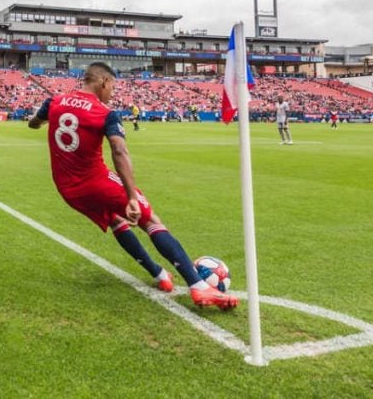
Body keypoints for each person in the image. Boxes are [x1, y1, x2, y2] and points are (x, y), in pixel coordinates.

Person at [29, 62, 237, 310]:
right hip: (95, 181)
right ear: (104, 81)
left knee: (116, 220)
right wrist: (131, 197)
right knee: (151, 220)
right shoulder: (105, 113)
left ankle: (160, 275)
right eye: (113, 86)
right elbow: (119, 151)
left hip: (67, 189)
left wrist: (41, 121)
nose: (113, 93)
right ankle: (199, 287)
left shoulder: (54, 101)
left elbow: (34, 123)